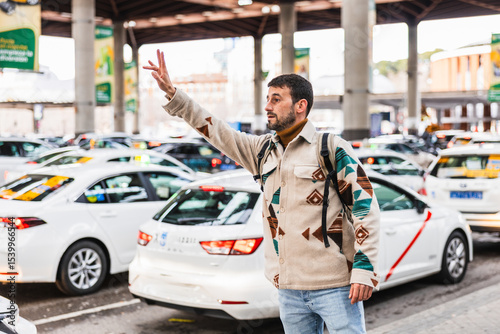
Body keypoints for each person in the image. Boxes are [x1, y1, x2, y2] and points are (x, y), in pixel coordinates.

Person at [144, 49, 380, 334]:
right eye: (268, 98)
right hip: (288, 289)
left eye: (276, 99)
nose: (268, 106)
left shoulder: (330, 148)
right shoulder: (262, 151)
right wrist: (173, 94)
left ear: (300, 105)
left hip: (334, 286)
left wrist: (365, 270)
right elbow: (216, 130)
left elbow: (365, 208)